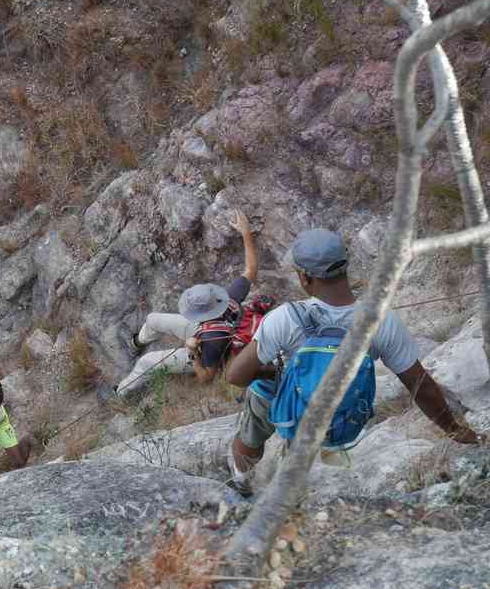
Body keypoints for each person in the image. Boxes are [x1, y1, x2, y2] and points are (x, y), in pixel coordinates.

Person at [224, 228, 481, 497]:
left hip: (285, 405)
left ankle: (242, 479)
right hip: (342, 416)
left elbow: (235, 377)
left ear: (305, 276)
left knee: (258, 405)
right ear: (345, 267)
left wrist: (272, 371)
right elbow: (419, 384)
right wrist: (453, 430)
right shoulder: (381, 320)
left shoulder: (285, 318)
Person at [115, 212, 259, 396]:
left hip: (203, 347)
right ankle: (137, 342)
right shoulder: (229, 299)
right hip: (203, 330)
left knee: (146, 362)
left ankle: (120, 392)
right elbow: (251, 269)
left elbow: (206, 378)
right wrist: (246, 233)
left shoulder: (214, 340)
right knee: (152, 319)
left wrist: (192, 353)